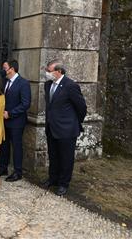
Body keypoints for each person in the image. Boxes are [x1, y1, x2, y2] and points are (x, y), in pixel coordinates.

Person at [43, 59, 87, 196]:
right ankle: (53, 179)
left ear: (59, 71)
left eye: (49, 71)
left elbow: (82, 107)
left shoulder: (70, 86)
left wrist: (73, 122)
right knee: (53, 155)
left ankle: (63, 183)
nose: (47, 73)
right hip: (52, 127)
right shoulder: (47, 85)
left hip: (67, 129)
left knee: (66, 158)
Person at [0, 60, 31, 182]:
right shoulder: (5, 81)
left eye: (4, 68)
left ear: (11, 69)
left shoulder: (23, 83)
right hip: (4, 120)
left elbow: (25, 104)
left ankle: (18, 172)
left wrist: (10, 114)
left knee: (17, 146)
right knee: (4, 145)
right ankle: (3, 167)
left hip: (16, 121)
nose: (3, 70)